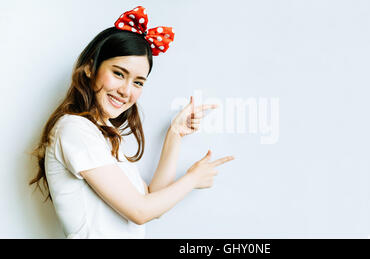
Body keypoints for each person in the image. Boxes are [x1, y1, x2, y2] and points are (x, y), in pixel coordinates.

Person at [29, 6, 234, 239]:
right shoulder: (74, 129)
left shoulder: (102, 134)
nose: (126, 91)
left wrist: (175, 134)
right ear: (89, 68)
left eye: (138, 82)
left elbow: (149, 201)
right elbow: (140, 211)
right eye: (118, 73)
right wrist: (192, 179)